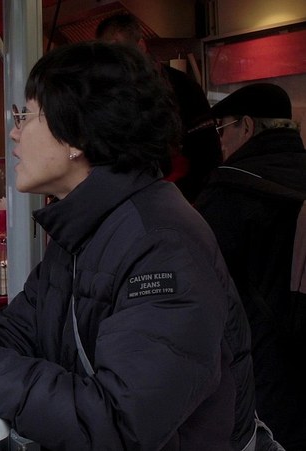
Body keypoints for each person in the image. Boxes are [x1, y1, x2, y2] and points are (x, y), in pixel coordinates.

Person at [0, 42, 258, 450]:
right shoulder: (84, 230)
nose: (14, 132)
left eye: (26, 116)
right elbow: (17, 347)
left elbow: (124, 422)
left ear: (77, 133)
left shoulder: (162, 244)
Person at [195, 83, 306, 450]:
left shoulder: (229, 192)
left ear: (246, 126)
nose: (219, 141)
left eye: (221, 129)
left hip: (262, 373)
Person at [96, 13, 221, 203]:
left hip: (179, 197)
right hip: (125, 198)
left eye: (120, 50)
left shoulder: (183, 87)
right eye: (107, 55)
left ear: (140, 46)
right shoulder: (106, 96)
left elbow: (207, 154)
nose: (115, 61)